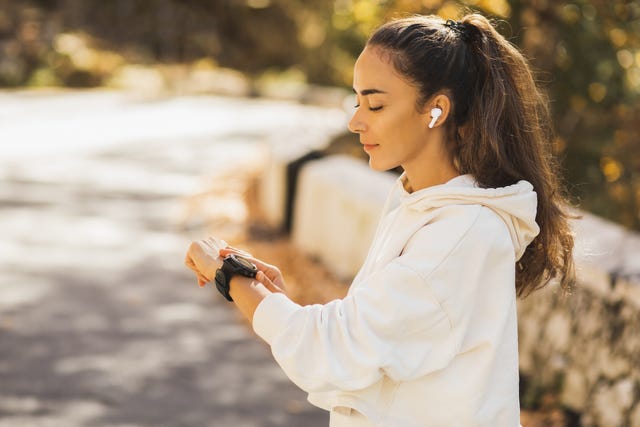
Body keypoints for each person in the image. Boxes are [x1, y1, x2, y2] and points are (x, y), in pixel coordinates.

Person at [185, 13, 575, 427]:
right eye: (357, 102)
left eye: (375, 104)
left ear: (436, 110)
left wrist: (231, 275)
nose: (356, 121)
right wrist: (277, 301)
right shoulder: (421, 206)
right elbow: (368, 349)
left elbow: (332, 352)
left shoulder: (461, 234)